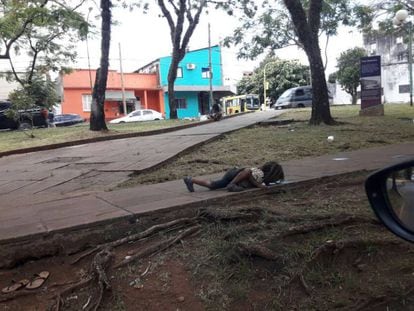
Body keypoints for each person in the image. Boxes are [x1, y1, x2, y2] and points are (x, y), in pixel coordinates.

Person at [183, 161, 284, 192]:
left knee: (214, 185)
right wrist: (258, 185)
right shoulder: (259, 173)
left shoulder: (261, 174)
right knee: (214, 185)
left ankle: (191, 180)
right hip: (234, 175)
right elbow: (247, 172)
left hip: (234, 173)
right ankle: (191, 179)